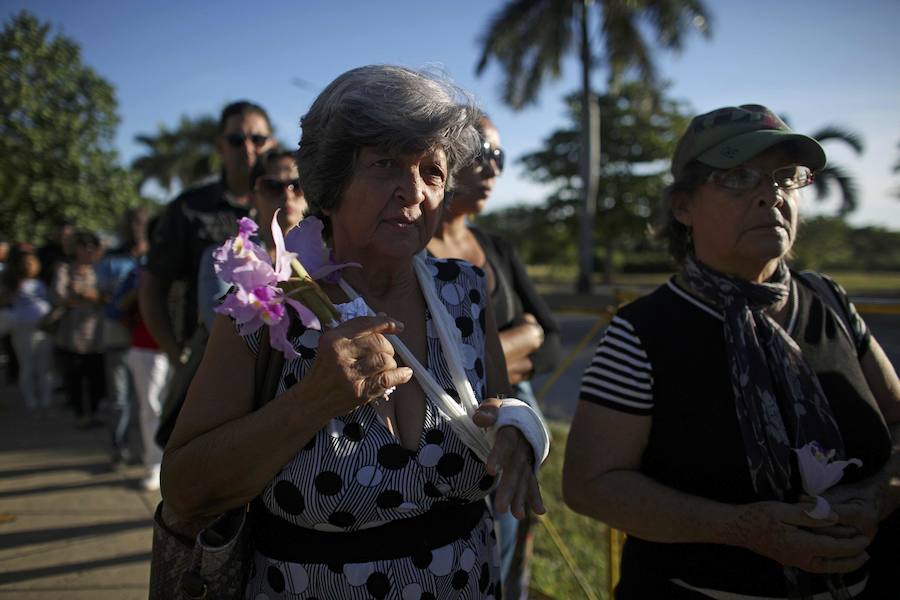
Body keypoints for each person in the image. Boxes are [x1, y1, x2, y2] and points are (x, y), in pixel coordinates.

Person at [161, 65, 548, 599]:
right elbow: (184, 489)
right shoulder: (264, 308)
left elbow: (498, 405)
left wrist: (518, 433)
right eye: (386, 163)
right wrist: (311, 402)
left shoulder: (466, 291)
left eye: (432, 172)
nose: (413, 192)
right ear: (331, 181)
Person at [563, 105, 900, 599]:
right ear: (683, 207)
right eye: (739, 178)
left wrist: (876, 497)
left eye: (785, 177)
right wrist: (741, 528)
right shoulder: (644, 332)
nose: (771, 195)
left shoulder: (829, 302)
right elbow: (590, 485)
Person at [428, 113, 560, 597]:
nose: (493, 168)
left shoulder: (494, 246)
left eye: (500, 157)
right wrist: (513, 341)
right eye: (481, 152)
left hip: (513, 413)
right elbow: (530, 334)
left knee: (512, 531)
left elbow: (550, 334)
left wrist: (486, 356)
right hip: (451, 416)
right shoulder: (410, 250)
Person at [139, 100, 277, 445]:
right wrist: (174, 353)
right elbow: (152, 286)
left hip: (277, 368)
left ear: (270, 144)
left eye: (257, 139)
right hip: (206, 364)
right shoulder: (189, 208)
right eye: (236, 140)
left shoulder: (293, 200)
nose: (248, 148)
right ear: (220, 146)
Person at [196, 149, 308, 332]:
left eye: (297, 185)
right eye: (271, 186)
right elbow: (222, 327)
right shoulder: (226, 259)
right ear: (252, 198)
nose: (287, 195)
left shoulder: (330, 256)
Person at [97, 206, 150, 464]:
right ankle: (119, 448)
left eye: (141, 221)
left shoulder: (157, 256)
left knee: (148, 400)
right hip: (119, 334)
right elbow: (106, 300)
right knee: (119, 397)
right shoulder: (111, 259)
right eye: (132, 222)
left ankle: (145, 449)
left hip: (149, 337)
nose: (136, 226)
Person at [51, 230, 106, 428]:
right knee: (73, 374)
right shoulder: (65, 269)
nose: (88, 251)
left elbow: (106, 296)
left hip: (96, 332)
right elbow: (60, 296)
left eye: (91, 247)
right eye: (84, 247)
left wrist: (82, 294)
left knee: (96, 376)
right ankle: (81, 414)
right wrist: (88, 296)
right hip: (71, 332)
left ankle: (93, 411)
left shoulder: (100, 269)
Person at [0, 243, 53, 416]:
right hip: (23, 330)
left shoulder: (39, 284)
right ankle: (31, 400)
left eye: (31, 262)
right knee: (28, 366)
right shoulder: (11, 284)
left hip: (43, 329)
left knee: (44, 367)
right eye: (25, 263)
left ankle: (46, 399)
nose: (28, 266)